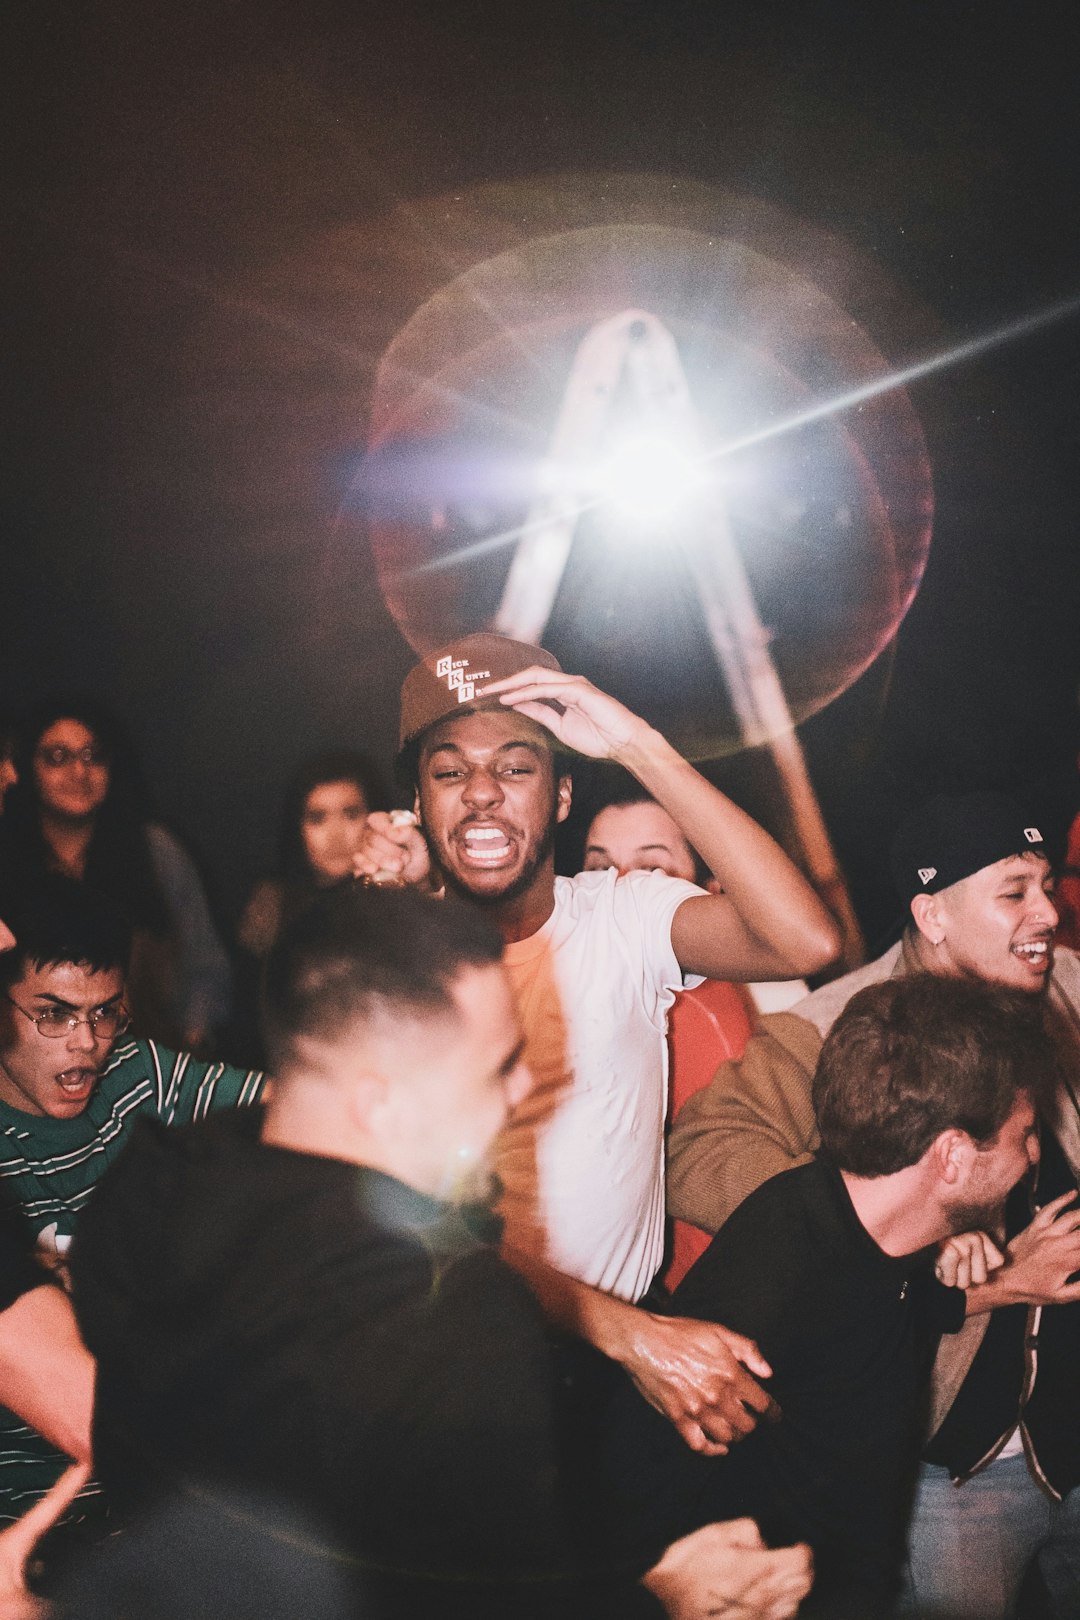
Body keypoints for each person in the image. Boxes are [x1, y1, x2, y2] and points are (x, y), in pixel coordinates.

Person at [69, 883, 812, 1620]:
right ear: (379, 1103)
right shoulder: (455, 1328)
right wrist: (666, 1598)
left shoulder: (155, 1190)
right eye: (495, 1067)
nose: (523, 1089)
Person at [354, 633, 840, 1454]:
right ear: (417, 804)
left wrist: (637, 744)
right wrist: (629, 1334)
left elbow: (805, 942)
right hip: (452, 1375)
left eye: (516, 766)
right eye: (449, 772)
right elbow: (409, 1228)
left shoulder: (625, 915)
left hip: (621, 1377)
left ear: (564, 795)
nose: (481, 794)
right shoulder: (382, 961)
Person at [667, 790, 1080, 1618]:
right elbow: (701, 1147)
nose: (1047, 913)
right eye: (1014, 892)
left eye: (1048, 884)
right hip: (957, 1471)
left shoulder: (1065, 981)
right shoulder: (830, 1028)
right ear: (931, 914)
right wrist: (901, 1232)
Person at [604, 973, 1057, 1619]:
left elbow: (878, 1308)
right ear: (952, 1155)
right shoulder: (772, 1288)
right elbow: (637, 1496)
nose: (1032, 1157)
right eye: (1023, 1136)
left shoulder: (874, 1236)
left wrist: (983, 1292)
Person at [0, 875, 265, 1537]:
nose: (86, 1041)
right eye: (53, 1013)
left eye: (104, 1013)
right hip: (21, 1520)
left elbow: (300, 1109)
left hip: (147, 1517)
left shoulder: (138, 1075)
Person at [2, 696, 232, 1050]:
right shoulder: (9, 855)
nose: (79, 772)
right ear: (27, 767)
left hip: (150, 1059)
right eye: (58, 757)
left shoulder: (155, 850)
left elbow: (206, 966)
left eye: (93, 756)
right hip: (32, 1062)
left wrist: (187, 1049)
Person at [237, 748, 385, 959]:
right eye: (318, 818)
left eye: (350, 814)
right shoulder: (271, 910)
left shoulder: (396, 902)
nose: (335, 835)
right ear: (297, 829)